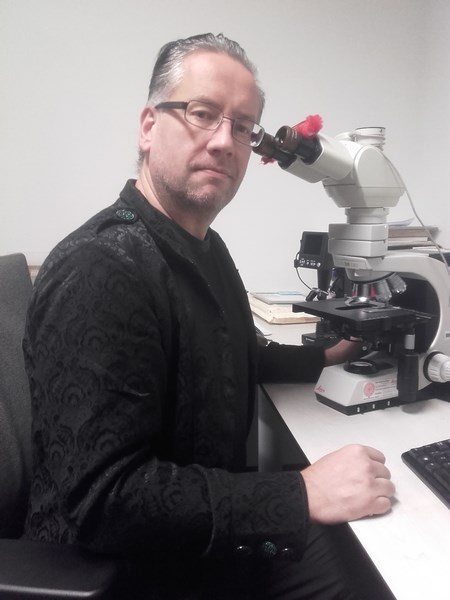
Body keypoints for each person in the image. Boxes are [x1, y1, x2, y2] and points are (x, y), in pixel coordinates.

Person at [24, 33, 395, 599]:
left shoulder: (204, 248)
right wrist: (300, 493)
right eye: (202, 113)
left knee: (364, 552)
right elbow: (103, 501)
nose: (224, 141)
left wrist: (330, 355)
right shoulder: (100, 269)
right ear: (149, 127)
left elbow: (237, 352)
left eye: (243, 127)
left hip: (198, 541)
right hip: (128, 573)